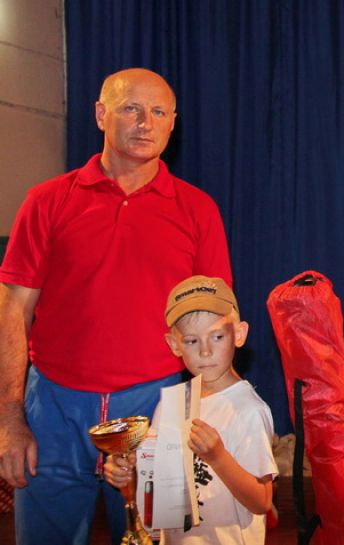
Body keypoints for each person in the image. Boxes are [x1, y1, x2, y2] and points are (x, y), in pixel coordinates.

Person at [0, 68, 233, 545]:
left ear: (173, 124)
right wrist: (9, 419)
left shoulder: (198, 209)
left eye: (159, 112)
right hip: (54, 408)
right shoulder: (46, 201)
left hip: (158, 404)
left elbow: (216, 321)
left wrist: (216, 413)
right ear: (100, 115)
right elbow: (12, 312)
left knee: (153, 539)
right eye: (131, 108)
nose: (146, 122)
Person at [106, 275, 278, 544]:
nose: (205, 351)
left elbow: (262, 501)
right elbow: (155, 484)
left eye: (217, 336)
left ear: (239, 334)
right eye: (191, 341)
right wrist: (128, 472)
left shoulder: (249, 410)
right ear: (173, 344)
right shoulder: (171, 404)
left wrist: (218, 457)